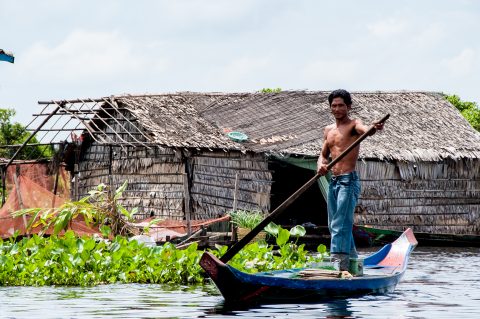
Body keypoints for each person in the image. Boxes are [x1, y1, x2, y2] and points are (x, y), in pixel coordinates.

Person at [317, 89, 384, 271]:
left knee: (340, 224)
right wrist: (321, 166)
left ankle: (338, 266)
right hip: (334, 182)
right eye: (334, 105)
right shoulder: (328, 130)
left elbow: (366, 131)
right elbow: (323, 156)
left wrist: (374, 128)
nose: (337, 109)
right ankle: (354, 262)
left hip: (348, 181)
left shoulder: (354, 125)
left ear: (349, 107)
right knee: (334, 225)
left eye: (341, 105)